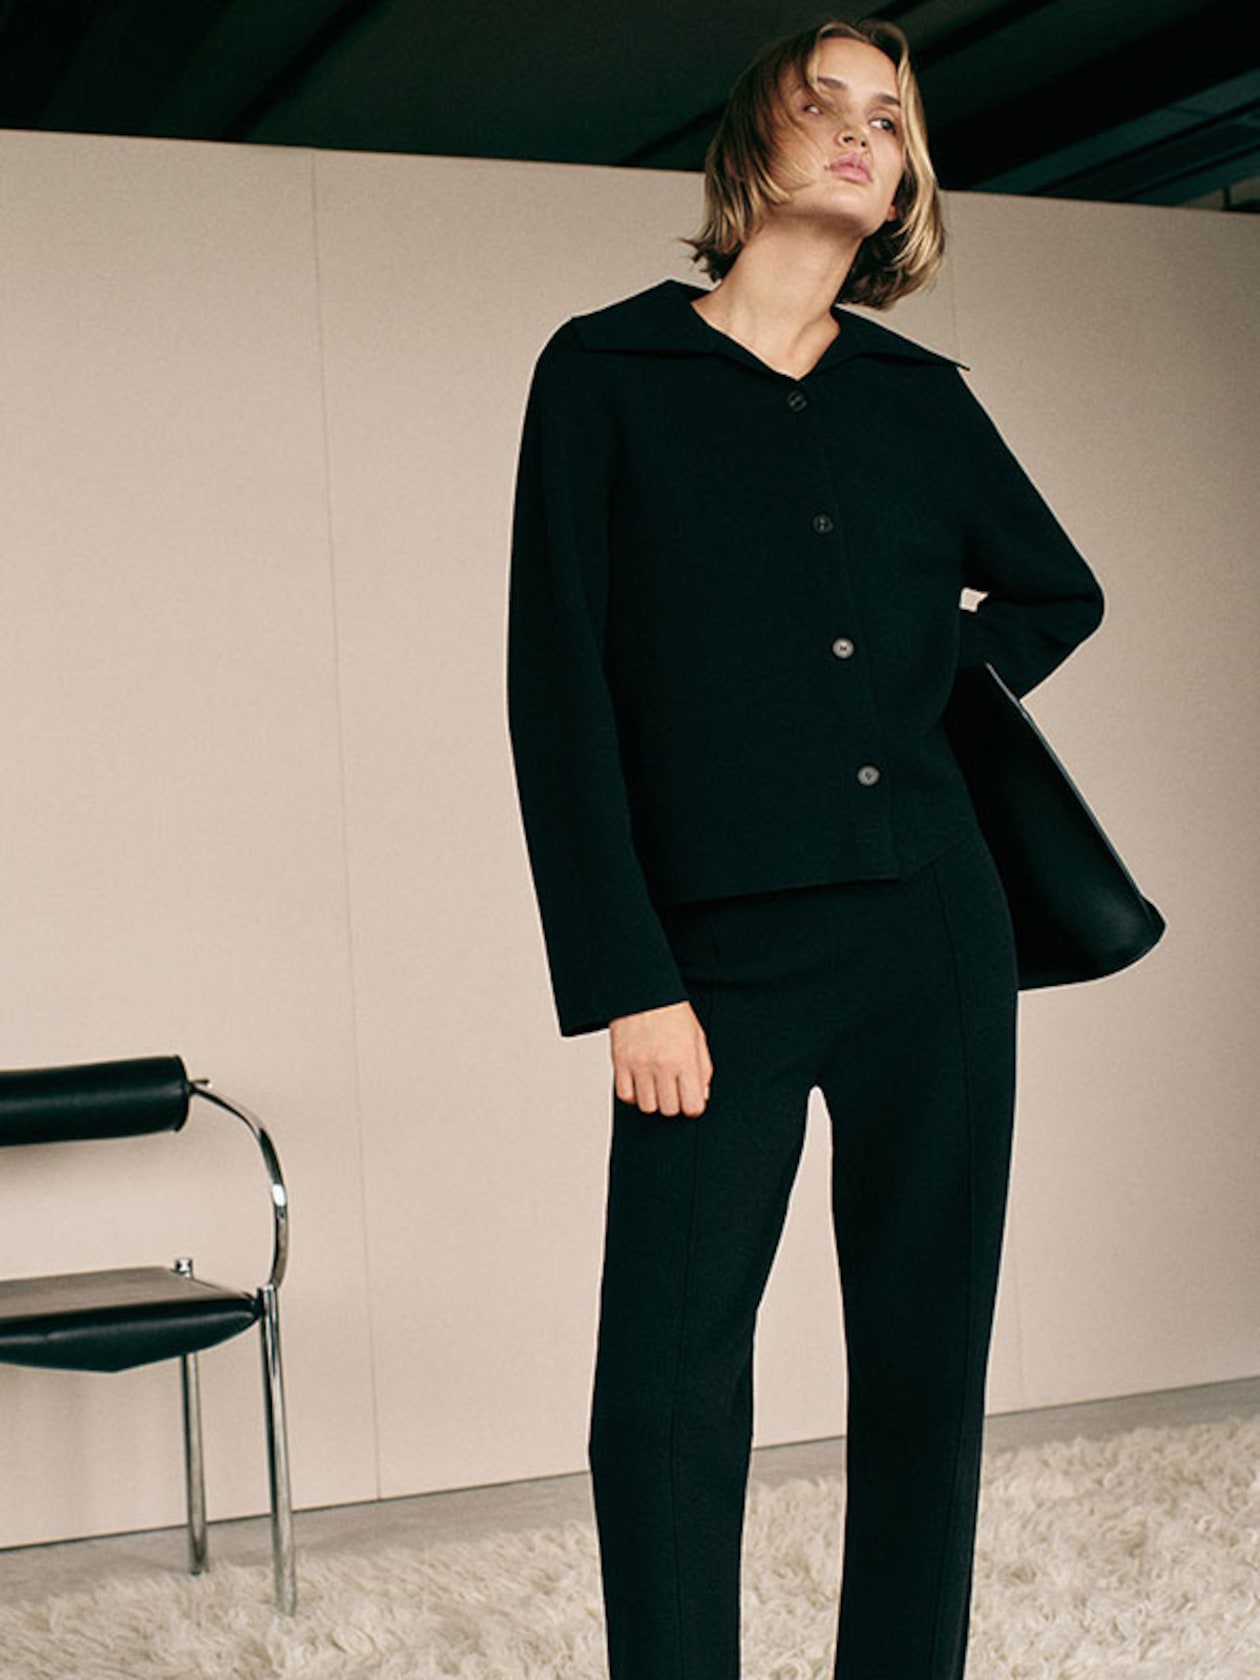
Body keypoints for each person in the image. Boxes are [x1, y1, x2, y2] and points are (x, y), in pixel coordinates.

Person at [506, 14, 1104, 1679]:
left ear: (908, 173)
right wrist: (628, 977)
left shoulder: (920, 400)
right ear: (753, 144)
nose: (860, 132)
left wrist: (930, 682)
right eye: (823, 103)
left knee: (925, 1366)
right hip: (714, 966)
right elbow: (559, 697)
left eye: (890, 118)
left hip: (934, 935)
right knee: (669, 1390)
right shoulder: (607, 375)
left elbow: (1059, 587)